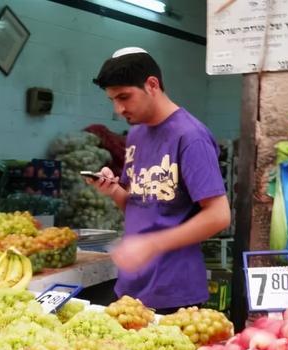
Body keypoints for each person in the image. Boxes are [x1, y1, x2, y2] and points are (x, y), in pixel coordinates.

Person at [88, 47, 231, 314]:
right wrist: (112, 191)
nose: (118, 109)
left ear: (152, 85)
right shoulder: (137, 134)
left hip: (174, 294)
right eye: (112, 100)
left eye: (124, 97)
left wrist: (152, 244)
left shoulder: (191, 137)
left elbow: (219, 216)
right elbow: (140, 205)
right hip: (129, 290)